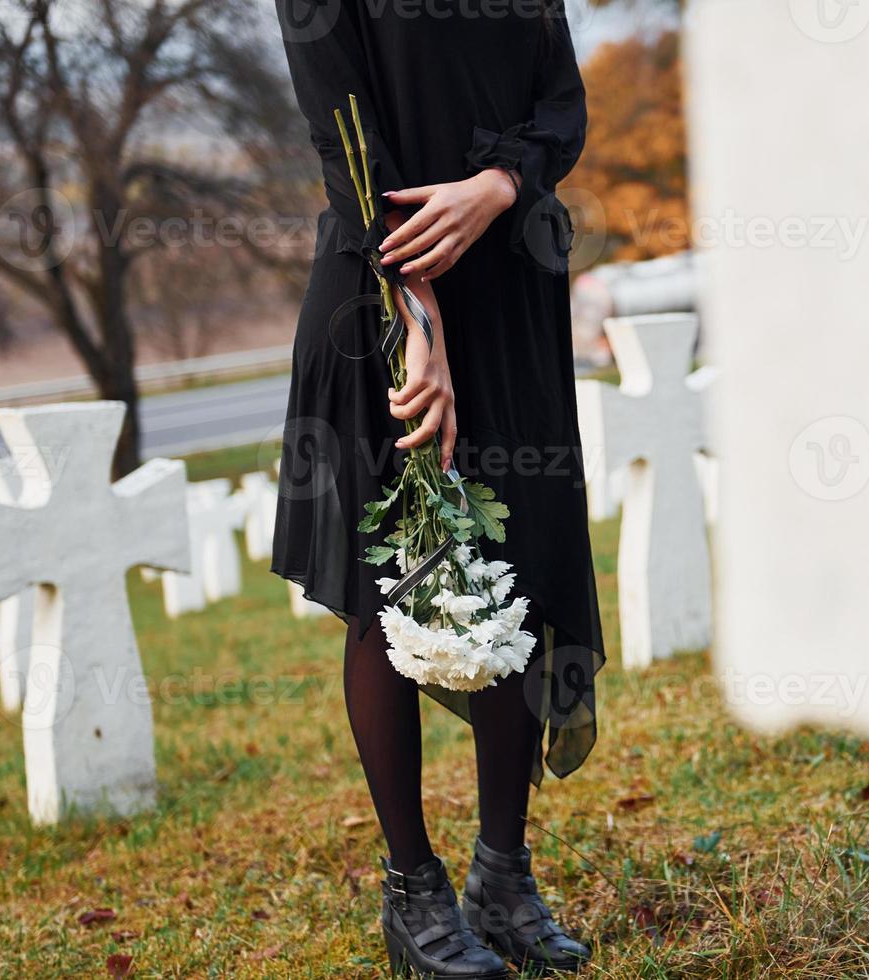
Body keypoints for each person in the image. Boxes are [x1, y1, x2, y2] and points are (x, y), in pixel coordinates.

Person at [271, 1, 605, 975]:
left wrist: (498, 185)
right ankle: (412, 893)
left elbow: (561, 102)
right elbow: (350, 149)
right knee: (401, 584)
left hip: (511, 291)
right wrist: (416, 321)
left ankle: (503, 876)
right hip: (384, 296)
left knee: (517, 575)